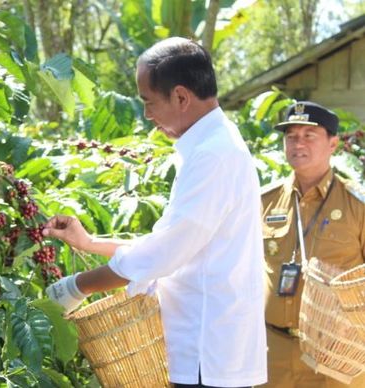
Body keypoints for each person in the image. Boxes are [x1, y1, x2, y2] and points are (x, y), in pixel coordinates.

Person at [43, 37, 267, 388]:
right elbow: (175, 241)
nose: (147, 115)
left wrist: (76, 287)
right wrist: (91, 243)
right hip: (203, 350)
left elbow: (164, 253)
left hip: (206, 351)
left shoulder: (214, 156)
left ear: (180, 96)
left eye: (148, 102)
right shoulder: (212, 147)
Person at [261, 101, 365, 387]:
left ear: (333, 144)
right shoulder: (263, 202)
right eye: (291, 136)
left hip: (338, 358)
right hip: (274, 354)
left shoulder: (357, 204)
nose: (298, 144)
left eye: (309, 135)